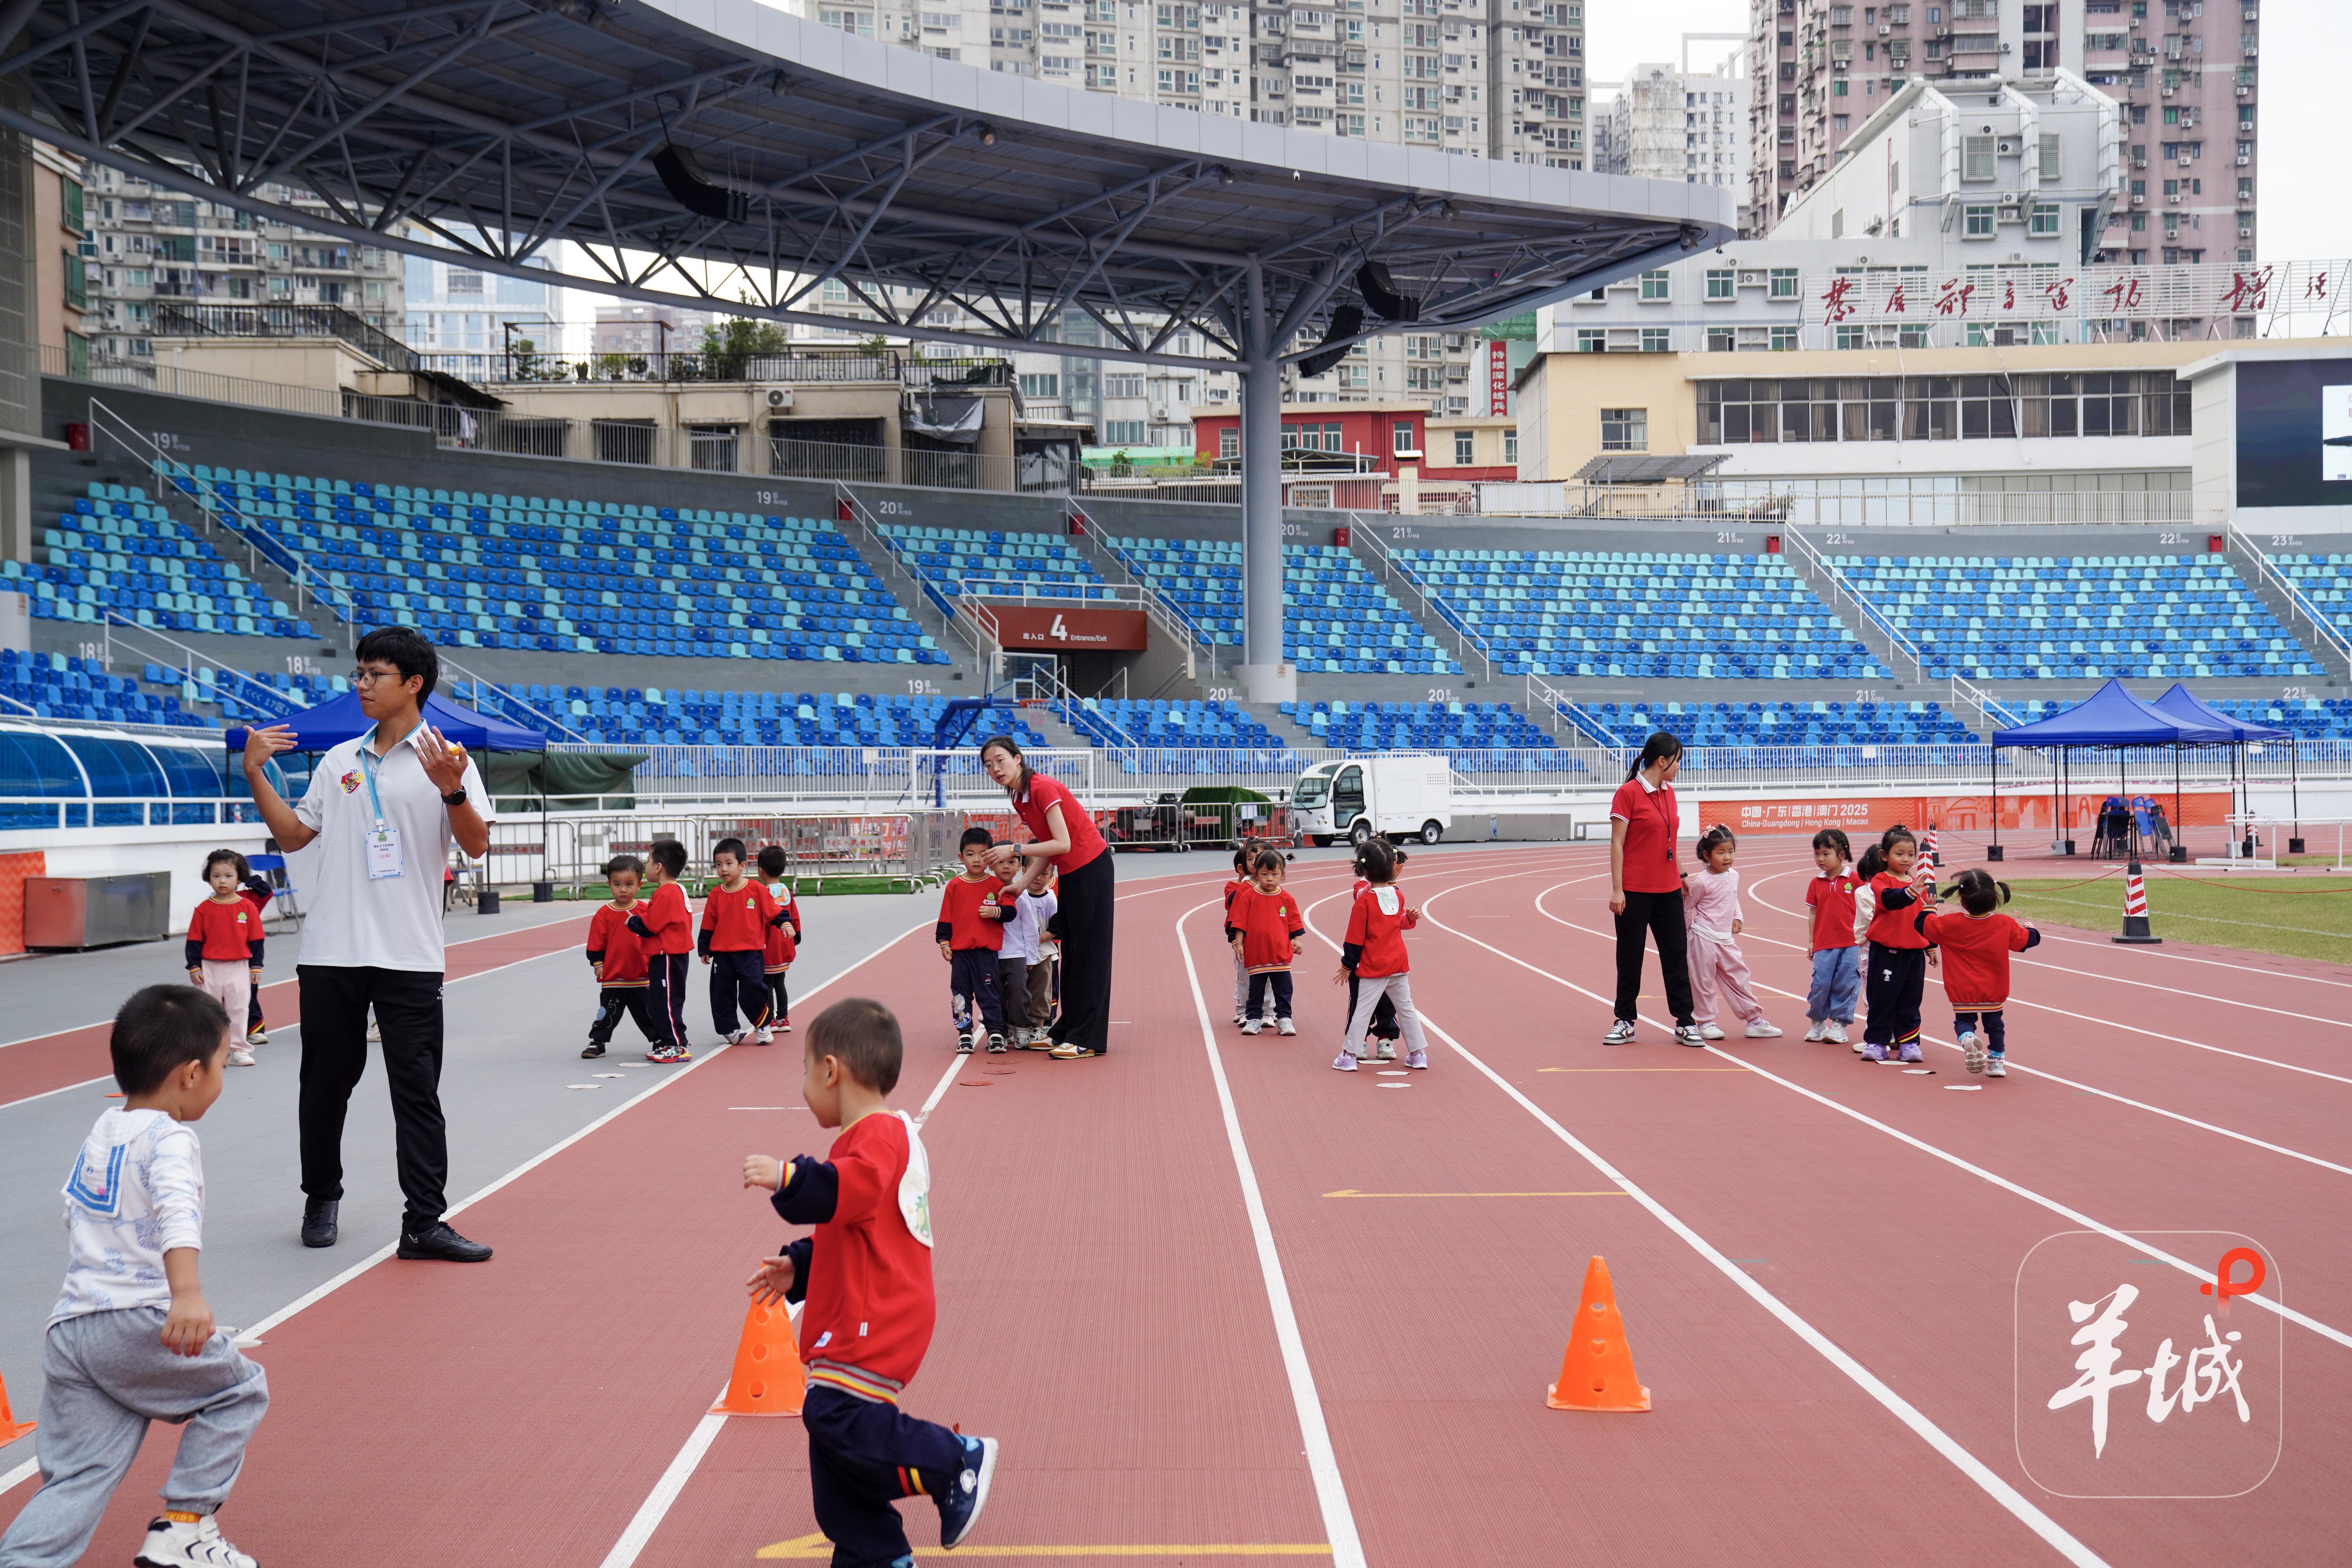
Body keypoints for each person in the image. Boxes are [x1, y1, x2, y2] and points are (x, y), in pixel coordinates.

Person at [238, 625, 494, 1262]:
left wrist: (452, 788)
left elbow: (477, 843)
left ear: (413, 684)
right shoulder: (339, 762)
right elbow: (296, 836)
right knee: (325, 1084)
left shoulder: (448, 759)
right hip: (331, 952)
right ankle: (321, 1195)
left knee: (416, 1091)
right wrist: (255, 773)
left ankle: (425, 1223)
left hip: (409, 955)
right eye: (358, 674)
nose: (360, 686)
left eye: (373, 675)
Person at [0, 985, 270, 1568]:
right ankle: (185, 1526)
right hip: (137, 1320)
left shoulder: (103, 1128)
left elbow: (73, 1210)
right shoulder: (171, 1137)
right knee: (239, 1390)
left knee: (78, 1476)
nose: (223, 1078)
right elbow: (177, 1209)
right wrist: (187, 1293)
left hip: (72, 1330)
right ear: (192, 1074)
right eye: (223, 1065)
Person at [740, 998, 999, 1562]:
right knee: (835, 1483)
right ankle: (879, 1555)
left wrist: (789, 1176)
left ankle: (954, 1460)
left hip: (875, 1314)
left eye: (805, 1071)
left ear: (831, 1071)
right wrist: (800, 1266)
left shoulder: (877, 1139)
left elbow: (840, 1190)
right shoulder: (874, 1142)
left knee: (833, 1418)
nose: (804, 1084)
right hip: (866, 1305)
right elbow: (852, 1233)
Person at [981, 736, 1112, 1060]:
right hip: (1073, 873)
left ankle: (1089, 1038)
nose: (995, 769)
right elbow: (1048, 847)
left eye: (1000, 760)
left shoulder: (1041, 789)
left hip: (1091, 869)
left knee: (1089, 956)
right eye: (988, 765)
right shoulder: (1020, 797)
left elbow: (1063, 843)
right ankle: (1067, 1030)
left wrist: (1014, 849)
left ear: (1018, 759)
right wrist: (1021, 884)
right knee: (1071, 951)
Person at [1605, 733, 1703, 1047]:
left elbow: (1669, 840)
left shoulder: (1669, 792)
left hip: (1669, 889)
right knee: (1630, 956)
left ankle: (1685, 1023)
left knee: (1676, 955)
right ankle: (1625, 1021)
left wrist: (1683, 871)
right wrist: (1618, 890)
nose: (1679, 769)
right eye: (1677, 763)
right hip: (1634, 890)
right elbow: (1617, 843)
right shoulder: (1628, 793)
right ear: (1662, 761)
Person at [1918, 868, 2042, 1078]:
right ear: (1994, 900)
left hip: (1962, 989)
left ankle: (1967, 1038)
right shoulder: (2005, 924)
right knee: (1995, 1025)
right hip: (1994, 990)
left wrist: (1929, 909)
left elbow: (1923, 926)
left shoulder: (1950, 924)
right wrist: (2031, 928)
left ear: (1962, 899)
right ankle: (1996, 1063)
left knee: (1963, 1021)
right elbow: (2029, 941)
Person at [1330, 837, 1430, 1073]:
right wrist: (1409, 919)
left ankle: (1349, 1056)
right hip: (1398, 965)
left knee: (1363, 1011)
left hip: (1374, 968)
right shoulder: (1398, 895)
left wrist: (1347, 965)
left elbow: (1354, 940)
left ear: (1364, 870)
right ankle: (1418, 1054)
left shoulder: (1363, 903)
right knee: (1406, 1009)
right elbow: (1394, 924)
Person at [1683, 826, 1782, 1042]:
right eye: (1721, 853)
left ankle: (1754, 1021)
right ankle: (1705, 1022)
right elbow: (1688, 908)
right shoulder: (1701, 882)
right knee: (1702, 982)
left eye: (1731, 851)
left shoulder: (1734, 876)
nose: (1727, 857)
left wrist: (1738, 917)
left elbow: (1734, 898)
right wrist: (1687, 937)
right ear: (1707, 856)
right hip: (1703, 939)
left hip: (1725, 939)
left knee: (1740, 978)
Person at [1854, 825, 1932, 1063]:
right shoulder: (1881, 880)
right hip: (1887, 951)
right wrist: (1911, 892)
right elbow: (1889, 902)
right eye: (1899, 854)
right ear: (1884, 856)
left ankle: (1909, 1044)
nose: (1906, 859)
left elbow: (1924, 919)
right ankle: (1876, 1043)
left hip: (1914, 953)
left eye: (1911, 854)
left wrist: (1931, 947)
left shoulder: (1917, 883)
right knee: (1882, 998)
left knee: (1911, 1000)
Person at [184, 850, 266, 1068]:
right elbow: (194, 940)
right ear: (209, 879)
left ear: (239, 878)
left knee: (239, 1008)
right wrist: (194, 966)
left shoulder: (247, 907)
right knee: (208, 1011)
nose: (222, 881)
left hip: (239, 967)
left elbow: (257, 939)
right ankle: (211, 1053)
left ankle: (239, 1049)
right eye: (216, 876)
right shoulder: (203, 909)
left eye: (229, 876)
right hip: (208, 967)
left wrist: (256, 966)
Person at [937, 827, 1015, 1054]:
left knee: (989, 993)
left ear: (991, 856)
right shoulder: (954, 885)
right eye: (970, 854)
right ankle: (965, 1034)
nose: (977, 859)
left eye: (983, 854)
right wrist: (944, 943)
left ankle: (996, 1034)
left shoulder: (997, 886)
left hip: (986, 953)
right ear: (961, 857)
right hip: (961, 955)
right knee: (960, 996)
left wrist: (995, 913)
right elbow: (946, 918)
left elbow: (1010, 912)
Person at [700, 836, 785, 1047]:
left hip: (750, 954)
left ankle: (763, 1026)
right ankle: (730, 1029)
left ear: (742, 866)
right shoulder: (716, 894)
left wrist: (785, 924)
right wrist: (705, 947)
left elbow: (774, 912)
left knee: (753, 990)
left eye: (729, 864)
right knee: (721, 995)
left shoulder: (756, 889)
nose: (723, 869)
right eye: (719, 864)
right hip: (723, 956)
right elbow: (709, 923)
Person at [584, 855, 660, 1060]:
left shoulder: (645, 911)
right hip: (614, 978)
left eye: (629, 884)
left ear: (639, 885)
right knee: (607, 1013)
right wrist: (598, 964)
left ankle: (659, 1040)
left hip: (642, 977)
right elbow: (595, 944)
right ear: (609, 884)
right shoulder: (603, 914)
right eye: (617, 885)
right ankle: (598, 1041)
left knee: (648, 1013)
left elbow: (655, 937)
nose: (623, 890)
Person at [628, 841, 694, 1064]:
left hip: (668, 955)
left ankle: (676, 1045)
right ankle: (672, 1040)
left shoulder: (666, 893)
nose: (646, 866)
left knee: (665, 1001)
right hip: (670, 954)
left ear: (658, 867)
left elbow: (651, 925)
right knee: (663, 1000)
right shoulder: (677, 889)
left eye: (648, 861)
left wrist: (632, 922)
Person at [1226, 848, 1303, 1037]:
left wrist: (1298, 940)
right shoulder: (1249, 896)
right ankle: (1254, 1018)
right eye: (1265, 874)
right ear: (1255, 873)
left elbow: (1294, 922)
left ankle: (1285, 1020)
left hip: (1280, 956)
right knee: (1256, 989)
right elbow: (1240, 923)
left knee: (1284, 990)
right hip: (1257, 954)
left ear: (1283, 875)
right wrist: (1239, 944)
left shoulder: (1287, 898)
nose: (1270, 879)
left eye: (1274, 874)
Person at [1801, 828, 1861, 1046]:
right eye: (1817, 854)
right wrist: (1811, 942)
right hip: (1824, 944)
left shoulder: (1856, 879)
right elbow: (1813, 912)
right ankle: (1817, 1022)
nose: (1820, 859)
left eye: (1826, 854)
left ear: (1842, 854)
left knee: (1847, 983)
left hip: (1852, 943)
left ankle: (1839, 1026)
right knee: (1821, 984)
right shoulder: (1816, 883)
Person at [1345, 844, 1404, 1061]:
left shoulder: (1393, 891)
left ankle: (1386, 1038)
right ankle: (1359, 1040)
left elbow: (1397, 919)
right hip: (1365, 961)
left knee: (1388, 1003)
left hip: (1387, 959)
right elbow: (1365, 895)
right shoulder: (1362, 887)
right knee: (1360, 1003)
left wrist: (1410, 919)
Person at [994, 857, 1043, 1049]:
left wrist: (1031, 956)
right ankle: (1001, 1030)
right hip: (991, 953)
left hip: (1016, 954)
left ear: (1019, 868)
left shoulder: (1022, 895)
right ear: (991, 865)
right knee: (996, 994)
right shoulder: (987, 892)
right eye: (1000, 862)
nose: (1006, 866)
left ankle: (1023, 1026)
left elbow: (1031, 928)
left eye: (1012, 862)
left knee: (1018, 991)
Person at [756, 845, 804, 1036]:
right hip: (784, 946)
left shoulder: (761, 894)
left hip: (768, 948)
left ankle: (770, 1021)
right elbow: (795, 917)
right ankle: (784, 1018)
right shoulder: (787, 893)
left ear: (761, 870)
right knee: (780, 982)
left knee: (767, 983)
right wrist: (796, 937)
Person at [1017, 868, 1059, 1050]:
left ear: (1051, 878)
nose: (1038, 878)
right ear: (1025, 871)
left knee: (1041, 989)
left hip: (1043, 953)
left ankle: (1039, 1027)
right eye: (1035, 872)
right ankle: (1018, 1026)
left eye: (1044, 874)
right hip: (1020, 952)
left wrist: (1036, 940)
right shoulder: (1019, 894)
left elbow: (1056, 927)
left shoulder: (1050, 898)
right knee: (1018, 988)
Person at [1222, 846, 1253, 1027]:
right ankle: (1243, 1009)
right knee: (1244, 974)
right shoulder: (1233, 886)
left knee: (1264, 975)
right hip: (1240, 937)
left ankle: (1266, 1011)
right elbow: (1231, 903)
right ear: (1242, 868)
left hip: (1261, 938)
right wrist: (1247, 885)